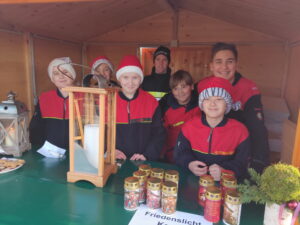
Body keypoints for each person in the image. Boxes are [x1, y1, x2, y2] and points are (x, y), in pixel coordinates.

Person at [204, 42, 270, 173]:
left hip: (237, 158)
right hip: (206, 156)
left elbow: (258, 130)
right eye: (218, 62)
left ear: (236, 64)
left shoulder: (248, 89)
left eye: (229, 61)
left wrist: (258, 163)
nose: (224, 67)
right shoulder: (202, 86)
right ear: (211, 66)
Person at [174, 76, 250, 181]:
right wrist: (189, 163)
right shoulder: (189, 127)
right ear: (202, 104)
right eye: (207, 99)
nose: (212, 104)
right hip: (192, 181)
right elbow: (180, 153)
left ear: (227, 104)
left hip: (226, 187)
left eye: (219, 99)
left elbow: (242, 163)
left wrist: (225, 171)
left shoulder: (240, 131)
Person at [115, 55, 165, 161]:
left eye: (135, 77)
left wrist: (147, 155)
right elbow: (100, 132)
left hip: (142, 161)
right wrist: (109, 151)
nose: (130, 82)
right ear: (119, 79)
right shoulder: (108, 101)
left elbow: (158, 134)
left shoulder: (151, 102)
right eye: (125, 77)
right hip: (114, 160)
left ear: (141, 79)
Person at [29, 57, 76, 149]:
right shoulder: (45, 98)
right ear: (52, 78)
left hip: (79, 153)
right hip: (52, 154)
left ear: (73, 75)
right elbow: (36, 128)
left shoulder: (86, 97)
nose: (61, 76)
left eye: (65, 72)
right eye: (56, 73)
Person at [159, 70, 201, 163]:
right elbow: (162, 133)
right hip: (172, 156)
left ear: (192, 86)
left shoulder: (202, 106)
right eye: (175, 88)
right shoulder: (166, 107)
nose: (180, 92)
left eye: (183, 87)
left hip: (196, 157)